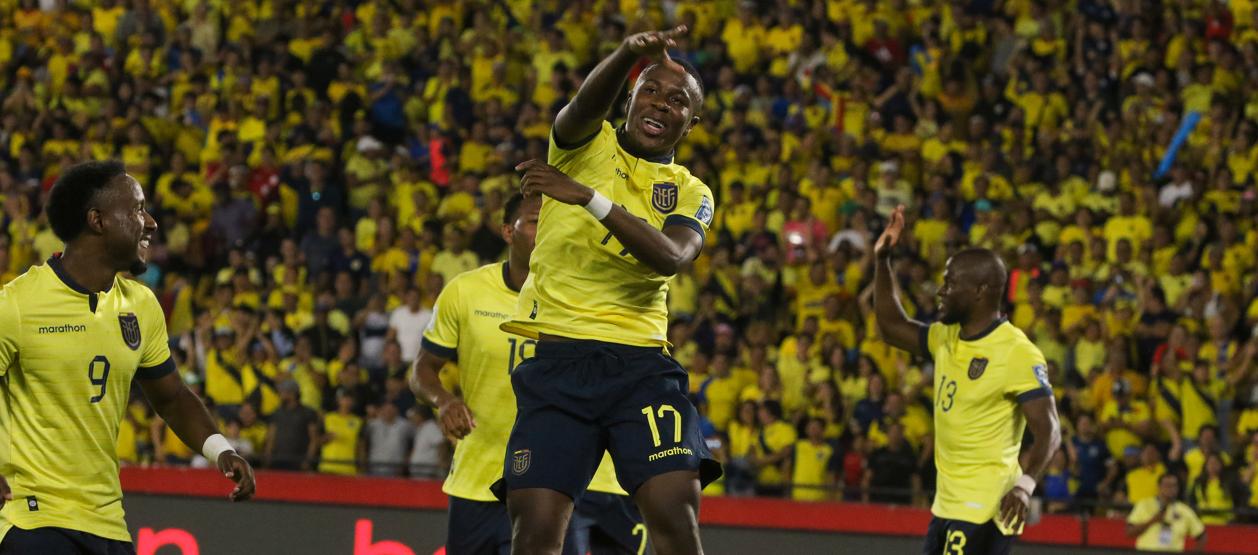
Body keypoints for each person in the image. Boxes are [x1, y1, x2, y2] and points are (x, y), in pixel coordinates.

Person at [498, 24, 721, 555]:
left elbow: (670, 257)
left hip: (640, 367)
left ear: (692, 122)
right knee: (534, 533)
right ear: (628, 96)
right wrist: (627, 53)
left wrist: (586, 198)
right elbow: (578, 108)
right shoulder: (581, 145)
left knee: (676, 516)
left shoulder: (692, 190)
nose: (661, 104)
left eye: (677, 100)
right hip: (558, 361)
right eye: (650, 89)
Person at [0, 161, 255, 554]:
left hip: (108, 525)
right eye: (137, 209)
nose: (150, 222)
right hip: (33, 520)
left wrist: (220, 448)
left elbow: (171, 397)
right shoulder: (18, 305)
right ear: (97, 220)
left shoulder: (141, 305)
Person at [411, 194, 647, 555]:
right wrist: (443, 401)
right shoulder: (465, 291)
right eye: (536, 221)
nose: (546, 229)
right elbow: (422, 370)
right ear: (508, 231)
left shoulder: (583, 295)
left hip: (552, 479)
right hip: (478, 477)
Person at [872, 205, 1061, 554]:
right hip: (947, 504)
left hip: (986, 507)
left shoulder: (1016, 352)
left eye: (950, 282)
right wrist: (882, 260)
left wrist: (1025, 485)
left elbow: (1050, 430)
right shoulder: (947, 337)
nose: (941, 291)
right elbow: (891, 326)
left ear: (980, 291)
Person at [1126, 473, 1206, 552]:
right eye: (1167, 485)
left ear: (1178, 488)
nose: (1170, 489)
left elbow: (1201, 536)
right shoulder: (1144, 505)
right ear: (1159, 487)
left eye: (1174, 486)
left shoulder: (1184, 510)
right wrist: (1152, 521)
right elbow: (1130, 532)